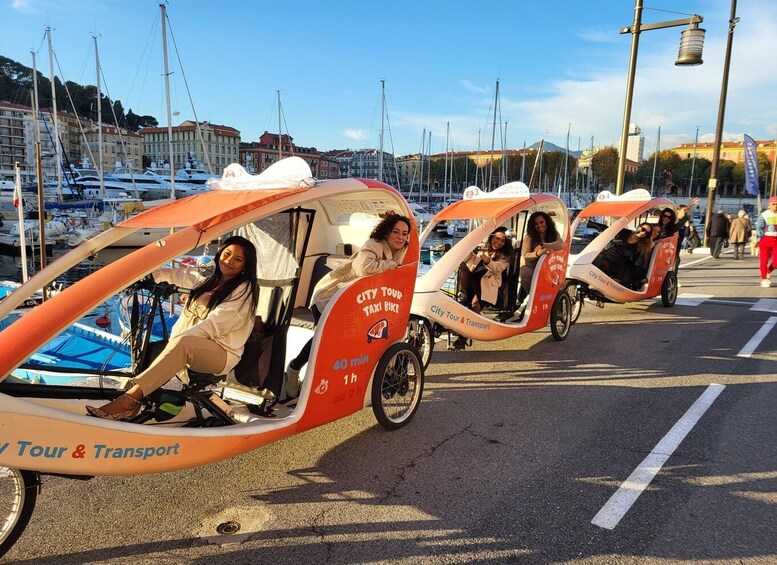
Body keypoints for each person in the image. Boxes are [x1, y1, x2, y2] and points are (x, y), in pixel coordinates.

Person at [86, 236, 259, 420]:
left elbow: (214, 325)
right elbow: (180, 275)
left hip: (222, 353)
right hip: (196, 343)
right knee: (151, 348)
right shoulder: (211, 278)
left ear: (245, 266)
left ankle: (128, 400)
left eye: (238, 259)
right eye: (227, 254)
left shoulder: (244, 290)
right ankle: (137, 403)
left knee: (183, 344)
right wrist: (149, 276)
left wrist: (178, 342)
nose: (229, 261)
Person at [286, 214, 411, 397]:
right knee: (324, 342)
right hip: (329, 296)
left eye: (404, 233)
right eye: (396, 232)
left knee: (346, 343)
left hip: (353, 302)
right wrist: (391, 264)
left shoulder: (400, 250)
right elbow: (364, 268)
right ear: (386, 233)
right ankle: (295, 370)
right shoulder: (374, 245)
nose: (400, 237)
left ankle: (317, 380)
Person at [506, 212, 562, 322]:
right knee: (528, 278)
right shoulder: (529, 237)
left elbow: (560, 245)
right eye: (536, 223)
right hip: (530, 266)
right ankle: (530, 305)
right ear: (532, 225)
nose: (539, 225)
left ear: (547, 222)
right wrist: (538, 253)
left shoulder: (553, 233)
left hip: (547, 267)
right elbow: (525, 255)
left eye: (542, 222)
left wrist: (544, 245)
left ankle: (546, 306)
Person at [456, 227, 513, 314]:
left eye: (503, 241)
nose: (499, 242)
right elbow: (466, 261)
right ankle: (464, 293)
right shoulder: (481, 247)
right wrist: (470, 251)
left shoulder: (505, 256)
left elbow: (499, 268)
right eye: (497, 238)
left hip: (486, 286)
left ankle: (475, 324)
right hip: (472, 281)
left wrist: (487, 260)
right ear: (492, 237)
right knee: (463, 265)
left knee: (474, 305)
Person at [592, 222, 654, 289]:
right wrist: (588, 222)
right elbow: (608, 229)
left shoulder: (642, 245)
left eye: (647, 233)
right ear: (638, 227)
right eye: (643, 229)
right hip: (606, 256)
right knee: (591, 259)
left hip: (616, 265)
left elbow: (640, 262)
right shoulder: (625, 232)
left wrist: (642, 276)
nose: (643, 233)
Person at [755, 197, 777, 287]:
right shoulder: (764, 215)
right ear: (769, 205)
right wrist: (758, 239)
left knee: (776, 261)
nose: (775, 206)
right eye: (774, 204)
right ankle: (764, 279)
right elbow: (759, 227)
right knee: (764, 260)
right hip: (765, 239)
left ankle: (768, 271)